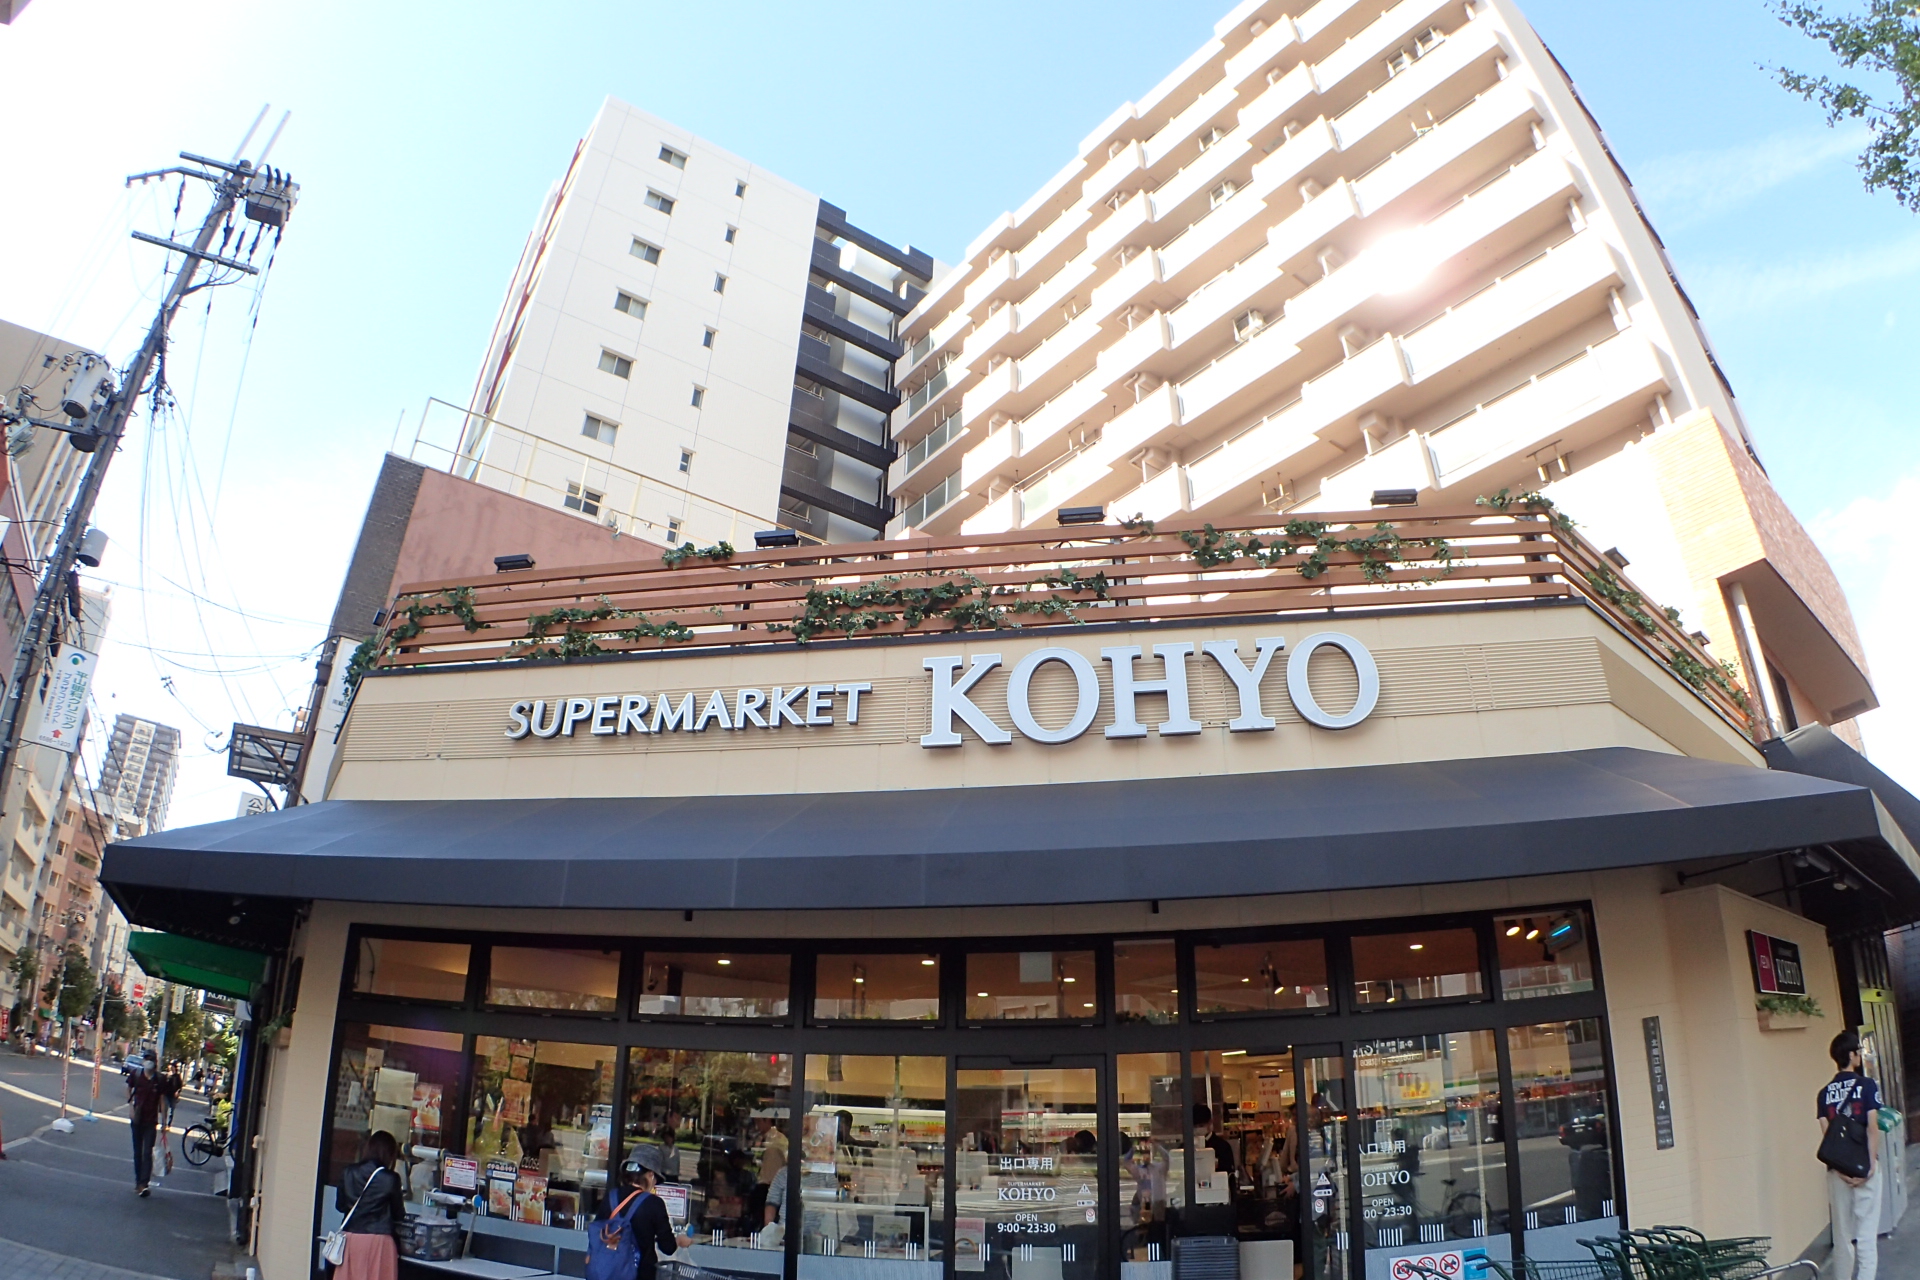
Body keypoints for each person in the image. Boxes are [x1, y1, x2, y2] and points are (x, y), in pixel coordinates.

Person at [1819, 1030, 1883, 1280]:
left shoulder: (1824, 1094)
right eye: (1858, 1050)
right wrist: (1869, 1166)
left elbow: (1828, 1137)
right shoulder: (1867, 1086)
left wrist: (1841, 1170)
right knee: (1866, 1235)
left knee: (1843, 1235)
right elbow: (1872, 1127)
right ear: (1852, 1055)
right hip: (1864, 1166)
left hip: (1838, 1172)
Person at [333, 1130, 409, 1280]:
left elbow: (340, 1206)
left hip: (350, 1239)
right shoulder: (391, 1178)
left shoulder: (348, 1172)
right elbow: (399, 1215)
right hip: (379, 1241)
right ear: (390, 1154)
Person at [610, 1144, 692, 1280]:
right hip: (640, 1274)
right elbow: (667, 1247)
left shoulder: (611, 1197)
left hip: (610, 1271)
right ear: (650, 1175)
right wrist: (678, 1240)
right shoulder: (654, 1203)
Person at [128, 1056, 165, 1196]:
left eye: (151, 1059)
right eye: (146, 1059)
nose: (148, 1062)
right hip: (137, 1119)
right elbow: (128, 1088)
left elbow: (162, 1101)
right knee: (137, 1152)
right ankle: (138, 1182)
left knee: (147, 1152)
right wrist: (131, 1106)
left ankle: (144, 1184)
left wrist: (165, 1122)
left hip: (151, 1120)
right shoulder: (136, 1074)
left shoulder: (159, 1079)